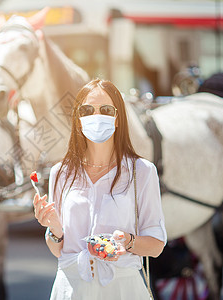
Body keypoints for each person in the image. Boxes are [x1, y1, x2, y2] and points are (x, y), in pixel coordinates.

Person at [33, 79, 167, 299]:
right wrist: (54, 228)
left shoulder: (142, 171)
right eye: (87, 110)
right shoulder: (60, 173)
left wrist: (128, 241)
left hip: (123, 289)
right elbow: (59, 250)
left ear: (117, 119)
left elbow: (156, 245)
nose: (96, 116)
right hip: (71, 289)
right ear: (78, 120)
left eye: (105, 110)